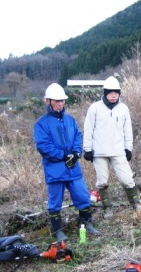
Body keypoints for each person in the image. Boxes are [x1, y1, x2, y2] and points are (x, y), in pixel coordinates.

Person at [34, 83, 99, 241]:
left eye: (62, 100)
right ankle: (58, 231)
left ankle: (86, 223)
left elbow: (78, 136)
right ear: (48, 101)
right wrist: (63, 155)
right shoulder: (41, 124)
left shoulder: (70, 120)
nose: (60, 103)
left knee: (82, 195)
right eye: (57, 101)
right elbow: (43, 146)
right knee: (55, 201)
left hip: (73, 168)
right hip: (55, 169)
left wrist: (77, 153)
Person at [83, 76, 141, 218]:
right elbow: (88, 129)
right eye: (110, 92)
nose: (113, 95)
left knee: (128, 179)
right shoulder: (95, 108)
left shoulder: (123, 109)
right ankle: (107, 208)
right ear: (105, 93)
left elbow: (128, 130)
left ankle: (136, 205)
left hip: (118, 151)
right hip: (99, 152)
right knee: (102, 181)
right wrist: (87, 149)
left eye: (116, 92)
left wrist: (128, 148)